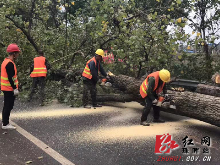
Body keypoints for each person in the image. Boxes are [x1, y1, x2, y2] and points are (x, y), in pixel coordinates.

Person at [1, 44, 20, 129]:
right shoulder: (10, 64)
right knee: (8, 106)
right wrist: (15, 88)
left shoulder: (5, 61)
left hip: (6, 88)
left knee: (7, 105)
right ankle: (5, 124)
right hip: (9, 89)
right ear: (14, 54)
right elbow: (10, 78)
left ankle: (5, 122)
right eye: (17, 53)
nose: (18, 55)